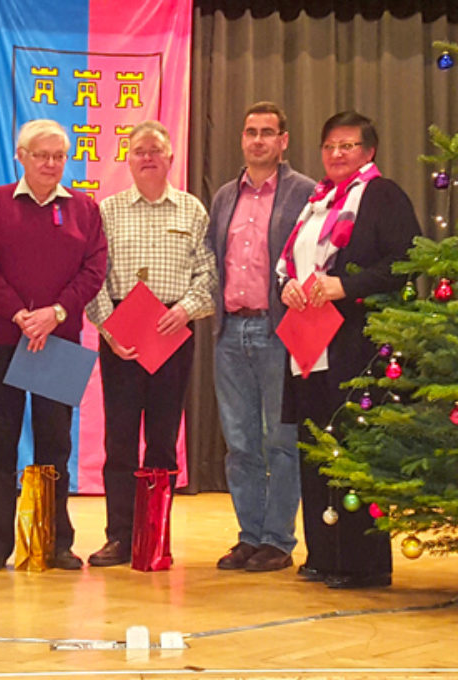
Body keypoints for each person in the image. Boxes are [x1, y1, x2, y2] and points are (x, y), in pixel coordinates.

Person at [278, 111, 421, 589]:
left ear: (369, 151)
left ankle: (363, 562)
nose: (336, 154)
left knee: (352, 451)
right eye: (329, 146)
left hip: (356, 345)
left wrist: (345, 285)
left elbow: (404, 263)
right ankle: (323, 553)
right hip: (308, 343)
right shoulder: (316, 201)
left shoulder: (382, 195)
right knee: (315, 449)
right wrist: (288, 289)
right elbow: (293, 263)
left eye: (347, 146)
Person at [0, 119, 107, 573]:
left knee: (55, 445)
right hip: (2, 339)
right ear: (21, 156)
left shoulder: (85, 209)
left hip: (59, 340)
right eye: (41, 155)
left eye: (58, 156)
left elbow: (94, 268)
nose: (51, 164)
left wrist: (56, 313)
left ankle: (55, 541)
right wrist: (19, 314)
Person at [85, 120, 216, 567]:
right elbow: (93, 277)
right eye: (138, 150)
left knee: (163, 440)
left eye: (155, 150)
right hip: (122, 332)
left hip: (172, 330)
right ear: (128, 159)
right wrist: (110, 329)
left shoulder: (193, 210)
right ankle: (119, 536)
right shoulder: (108, 210)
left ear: (170, 158)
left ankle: (154, 536)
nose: (147, 157)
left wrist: (187, 309)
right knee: (119, 440)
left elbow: (208, 275)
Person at [209, 102, 315, 572]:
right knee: (240, 443)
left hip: (279, 333)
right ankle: (249, 535)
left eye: (267, 132)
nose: (257, 140)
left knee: (282, 441)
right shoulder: (224, 196)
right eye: (250, 131)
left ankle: (278, 539)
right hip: (231, 329)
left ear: (283, 140)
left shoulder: (306, 193)